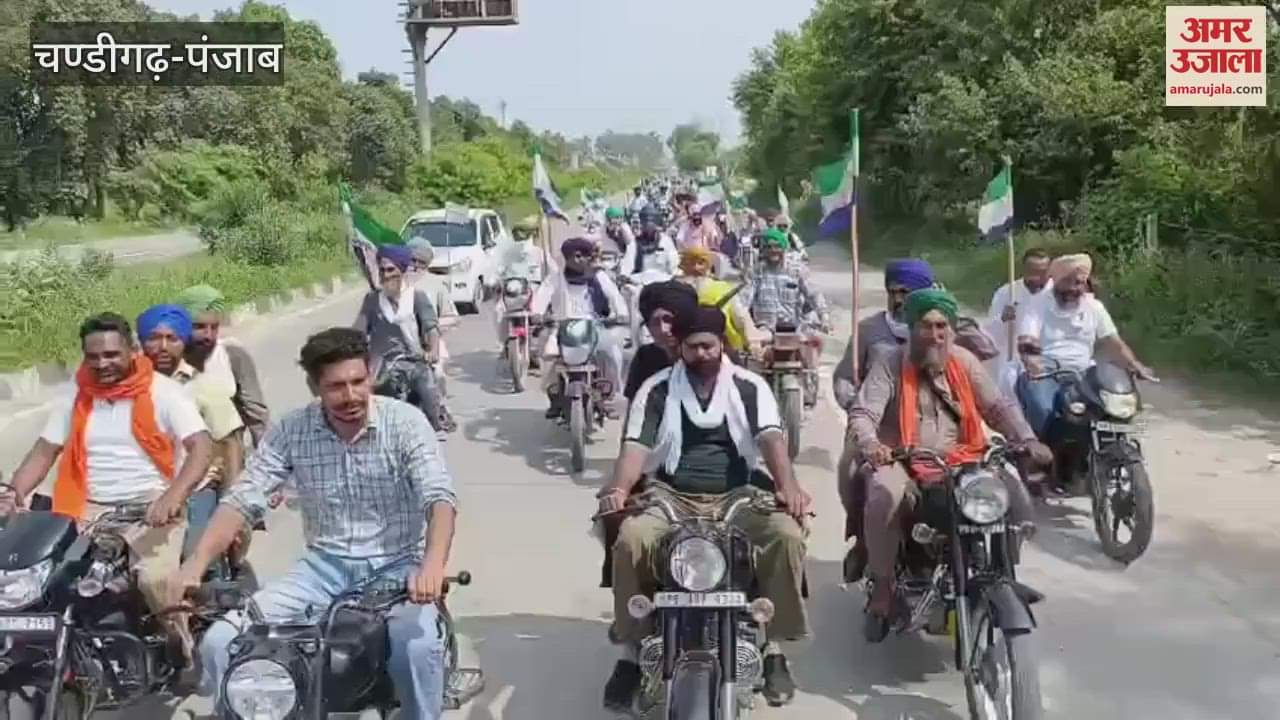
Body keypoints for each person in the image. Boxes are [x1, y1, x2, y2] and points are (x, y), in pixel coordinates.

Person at [171, 327, 458, 720]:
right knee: (221, 641)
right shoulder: (293, 430)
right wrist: (194, 564)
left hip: (397, 568)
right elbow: (242, 500)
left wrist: (432, 566)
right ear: (314, 386)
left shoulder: (405, 423)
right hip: (321, 571)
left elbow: (439, 498)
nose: (351, 396)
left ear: (370, 374)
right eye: (336, 386)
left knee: (416, 646)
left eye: (358, 381)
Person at [597, 307, 810, 709]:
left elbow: (771, 439)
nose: (701, 355)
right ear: (678, 348)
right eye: (692, 347)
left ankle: (774, 648)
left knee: (787, 535)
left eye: (708, 346)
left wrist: (790, 487)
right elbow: (636, 446)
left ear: (722, 345)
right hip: (669, 495)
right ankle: (630, 651)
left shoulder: (750, 386)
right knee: (629, 540)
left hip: (738, 495)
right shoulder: (656, 389)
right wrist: (620, 488)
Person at [4, 312, 213, 665]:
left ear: (132, 350)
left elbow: (202, 446)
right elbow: (45, 450)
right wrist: (13, 493)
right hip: (85, 505)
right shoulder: (75, 392)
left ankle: (179, 645)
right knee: (41, 577)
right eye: (93, 356)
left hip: (150, 506)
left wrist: (172, 496)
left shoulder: (165, 393)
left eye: (112, 355)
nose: (102, 364)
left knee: (155, 580)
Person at [848, 289, 1051, 641]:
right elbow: (864, 413)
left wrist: (1027, 439)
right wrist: (872, 445)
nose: (935, 335)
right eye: (926, 326)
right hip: (904, 457)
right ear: (911, 328)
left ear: (952, 329)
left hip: (964, 456)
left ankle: (1003, 573)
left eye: (942, 326)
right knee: (883, 494)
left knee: (1012, 491)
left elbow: (998, 408)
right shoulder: (889, 362)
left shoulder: (964, 361)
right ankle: (883, 585)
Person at [831, 258, 936, 572]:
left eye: (909, 292)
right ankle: (864, 541)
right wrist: (856, 406)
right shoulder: (869, 330)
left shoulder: (942, 328)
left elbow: (984, 354)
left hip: (931, 426)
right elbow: (843, 378)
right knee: (851, 470)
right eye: (894, 291)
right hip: (877, 427)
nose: (900, 299)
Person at [136, 304, 250, 562]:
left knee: (193, 557)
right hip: (141, 491)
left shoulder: (202, 385)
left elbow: (231, 444)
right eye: (153, 339)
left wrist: (232, 505)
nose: (162, 347)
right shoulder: (126, 389)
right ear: (141, 343)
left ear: (183, 342)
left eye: (172, 339)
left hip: (195, 491)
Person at [1015, 253, 1157, 438]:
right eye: (1069, 282)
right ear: (1056, 281)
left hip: (1084, 374)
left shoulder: (1094, 307)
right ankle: (1046, 459)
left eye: (1080, 282)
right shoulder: (1038, 304)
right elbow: (1027, 340)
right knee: (1046, 414)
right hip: (1046, 373)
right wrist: (1033, 363)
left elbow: (1114, 344)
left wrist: (1135, 365)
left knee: (1110, 412)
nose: (1075, 288)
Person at [353, 245, 454, 438]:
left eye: (390, 269)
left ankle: (436, 424)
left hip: (413, 360)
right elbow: (358, 330)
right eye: (382, 270)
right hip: (381, 366)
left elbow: (431, 328)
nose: (386, 275)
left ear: (401, 270)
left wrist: (432, 351)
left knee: (428, 387)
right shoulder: (373, 300)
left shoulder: (417, 297)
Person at [530, 237, 630, 419]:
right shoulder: (555, 277)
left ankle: (612, 394)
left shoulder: (599, 277)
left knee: (612, 353)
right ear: (568, 258)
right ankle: (553, 396)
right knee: (547, 356)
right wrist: (537, 313)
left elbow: (615, 297)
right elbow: (542, 296)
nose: (579, 259)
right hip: (561, 328)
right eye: (574, 256)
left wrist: (621, 314)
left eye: (583, 256)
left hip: (594, 327)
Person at [744, 229, 832, 406]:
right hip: (766, 327)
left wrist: (824, 317)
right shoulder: (756, 272)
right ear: (763, 250)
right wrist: (744, 323)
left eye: (777, 246)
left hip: (795, 327)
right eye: (768, 247)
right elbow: (744, 300)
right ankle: (754, 399)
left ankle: (809, 391)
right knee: (753, 356)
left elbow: (814, 294)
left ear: (784, 248)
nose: (773, 250)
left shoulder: (797, 270)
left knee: (812, 346)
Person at [176, 285, 270, 447]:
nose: (208, 336)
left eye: (214, 327)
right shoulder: (160, 365)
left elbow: (257, 418)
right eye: (199, 327)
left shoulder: (232, 354)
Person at [622, 280, 699, 403]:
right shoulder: (645, 357)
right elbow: (634, 406)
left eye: (668, 320)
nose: (663, 329)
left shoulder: (703, 355)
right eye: (655, 322)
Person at [676, 247, 756, 361]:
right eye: (690, 263)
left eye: (700, 263)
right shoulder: (675, 292)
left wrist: (751, 341)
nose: (696, 268)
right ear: (683, 266)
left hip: (727, 352)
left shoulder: (724, 289)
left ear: (708, 265)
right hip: (690, 354)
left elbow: (742, 319)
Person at [985, 248, 1053, 380]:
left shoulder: (1058, 294)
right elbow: (988, 334)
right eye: (1032, 271)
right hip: (1012, 361)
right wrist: (1002, 319)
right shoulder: (1007, 292)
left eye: (1042, 272)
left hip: (1049, 360)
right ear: (1024, 269)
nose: (1037, 277)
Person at [619, 207, 679, 281]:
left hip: (663, 283)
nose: (648, 225)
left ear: (656, 223)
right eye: (645, 222)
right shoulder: (634, 243)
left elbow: (674, 265)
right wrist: (624, 276)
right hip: (641, 284)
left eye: (651, 222)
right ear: (642, 223)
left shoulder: (665, 241)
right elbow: (627, 266)